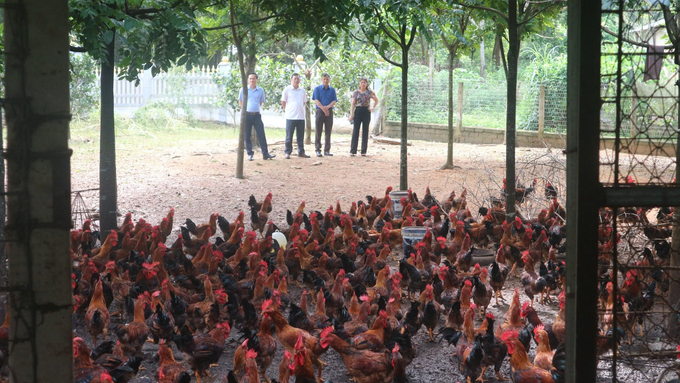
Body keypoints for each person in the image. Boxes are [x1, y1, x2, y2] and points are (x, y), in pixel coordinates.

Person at [239, 73, 275, 161]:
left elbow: (261, 102)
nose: (252, 80)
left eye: (253, 78)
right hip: (247, 115)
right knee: (247, 135)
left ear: (257, 80)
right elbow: (240, 101)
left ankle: (265, 153)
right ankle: (250, 153)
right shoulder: (243, 89)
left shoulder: (260, 90)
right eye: (250, 79)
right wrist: (245, 110)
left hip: (256, 115)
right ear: (248, 80)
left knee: (261, 134)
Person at [281, 73, 309, 159]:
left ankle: (301, 152)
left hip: (300, 117)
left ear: (299, 80)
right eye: (294, 79)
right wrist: (289, 110)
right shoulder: (287, 90)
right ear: (291, 80)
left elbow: (304, 102)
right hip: (290, 117)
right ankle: (288, 152)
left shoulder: (302, 90)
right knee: (289, 136)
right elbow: (283, 102)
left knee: (300, 136)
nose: (296, 80)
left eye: (297, 79)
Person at [349, 77, 379, 156]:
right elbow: (353, 104)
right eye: (361, 82)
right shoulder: (356, 93)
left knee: (365, 131)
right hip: (358, 111)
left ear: (367, 84)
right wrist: (351, 114)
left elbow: (376, 100)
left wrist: (372, 107)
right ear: (359, 83)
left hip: (366, 111)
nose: (363, 84)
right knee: (356, 131)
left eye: (364, 82)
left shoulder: (370, 92)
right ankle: (353, 151)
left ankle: (363, 151)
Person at [312, 73, 338, 157]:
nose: (325, 81)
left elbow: (334, 101)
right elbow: (316, 100)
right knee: (318, 131)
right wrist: (323, 108)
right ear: (321, 80)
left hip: (329, 111)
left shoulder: (332, 90)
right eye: (324, 79)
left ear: (329, 79)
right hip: (320, 111)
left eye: (327, 79)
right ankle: (317, 150)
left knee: (328, 131)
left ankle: (327, 150)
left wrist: (328, 107)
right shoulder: (317, 89)